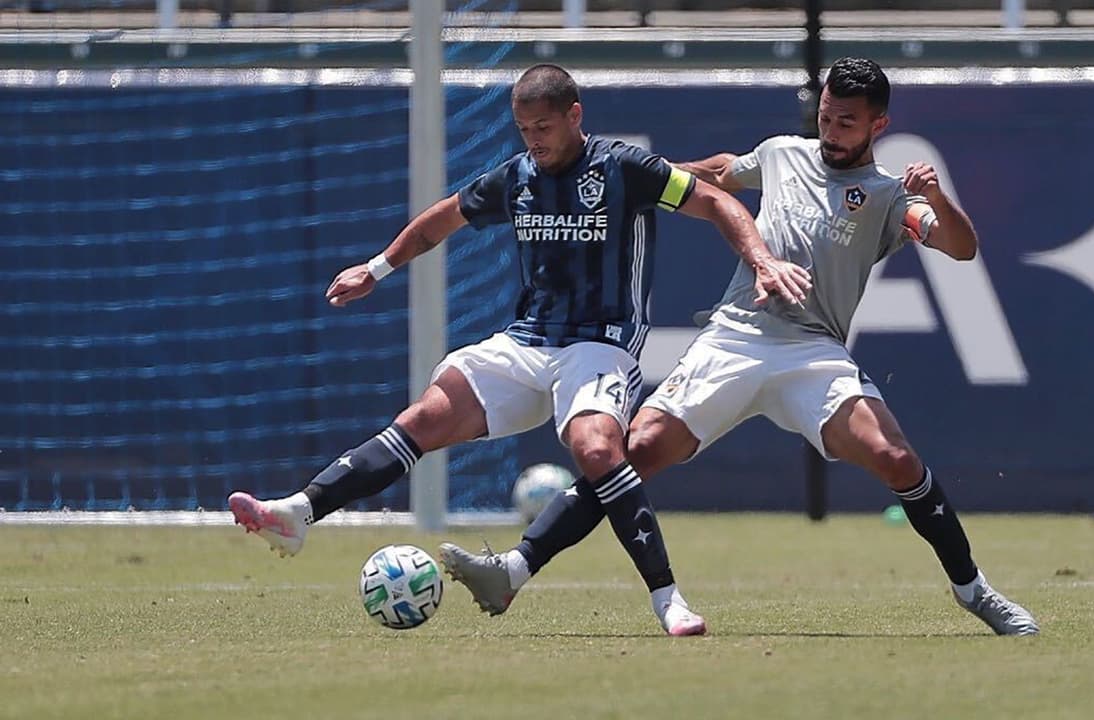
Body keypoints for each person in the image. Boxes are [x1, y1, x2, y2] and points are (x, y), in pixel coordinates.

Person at [441, 57, 1039, 636]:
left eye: (846, 123)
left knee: (897, 458)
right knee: (635, 451)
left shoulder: (888, 197)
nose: (830, 133)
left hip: (813, 351)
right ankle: (512, 572)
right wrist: (631, 173)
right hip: (735, 337)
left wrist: (936, 199)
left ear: (878, 126)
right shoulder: (783, 154)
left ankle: (974, 591)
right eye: (826, 117)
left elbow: (961, 248)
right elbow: (721, 172)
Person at [227, 63, 812, 638]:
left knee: (597, 449)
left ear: (574, 115)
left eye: (544, 128)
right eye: (524, 129)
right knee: (424, 416)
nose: (534, 140)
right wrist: (376, 269)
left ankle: (668, 599)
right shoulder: (516, 177)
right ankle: (297, 514)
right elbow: (443, 219)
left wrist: (761, 260)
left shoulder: (624, 167)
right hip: (527, 341)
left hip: (599, 346)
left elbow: (715, 201)